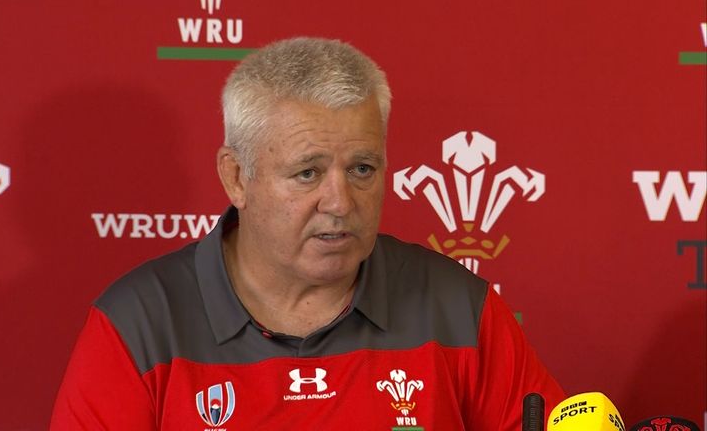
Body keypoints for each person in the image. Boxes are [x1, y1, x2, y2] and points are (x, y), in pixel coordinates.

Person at [51, 37, 565, 430]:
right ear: (236, 177)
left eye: (362, 168)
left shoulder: (460, 308)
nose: (341, 202)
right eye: (307, 173)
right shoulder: (136, 324)